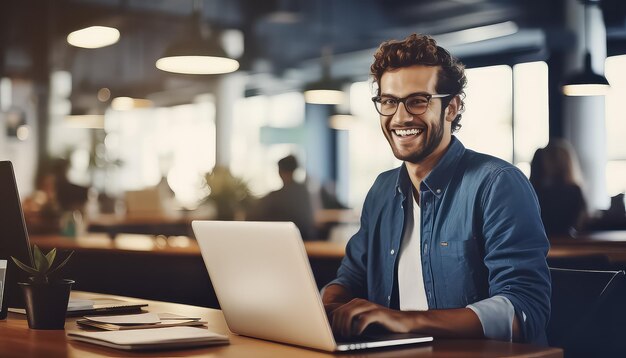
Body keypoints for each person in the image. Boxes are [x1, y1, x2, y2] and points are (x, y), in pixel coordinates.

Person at [322, 34, 550, 345]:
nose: (400, 117)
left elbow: (523, 312)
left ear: (451, 108)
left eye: (418, 101)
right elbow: (351, 278)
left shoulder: (497, 184)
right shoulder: (381, 190)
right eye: (389, 101)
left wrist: (405, 320)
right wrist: (322, 306)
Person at [247, 155, 317, 240]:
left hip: (284, 240)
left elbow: (252, 215)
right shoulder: (303, 191)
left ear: (280, 172)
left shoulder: (276, 197)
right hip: (304, 238)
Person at [530, 140, 587, 236]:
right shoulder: (574, 191)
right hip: (568, 243)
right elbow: (578, 222)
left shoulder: (534, 192)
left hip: (540, 242)